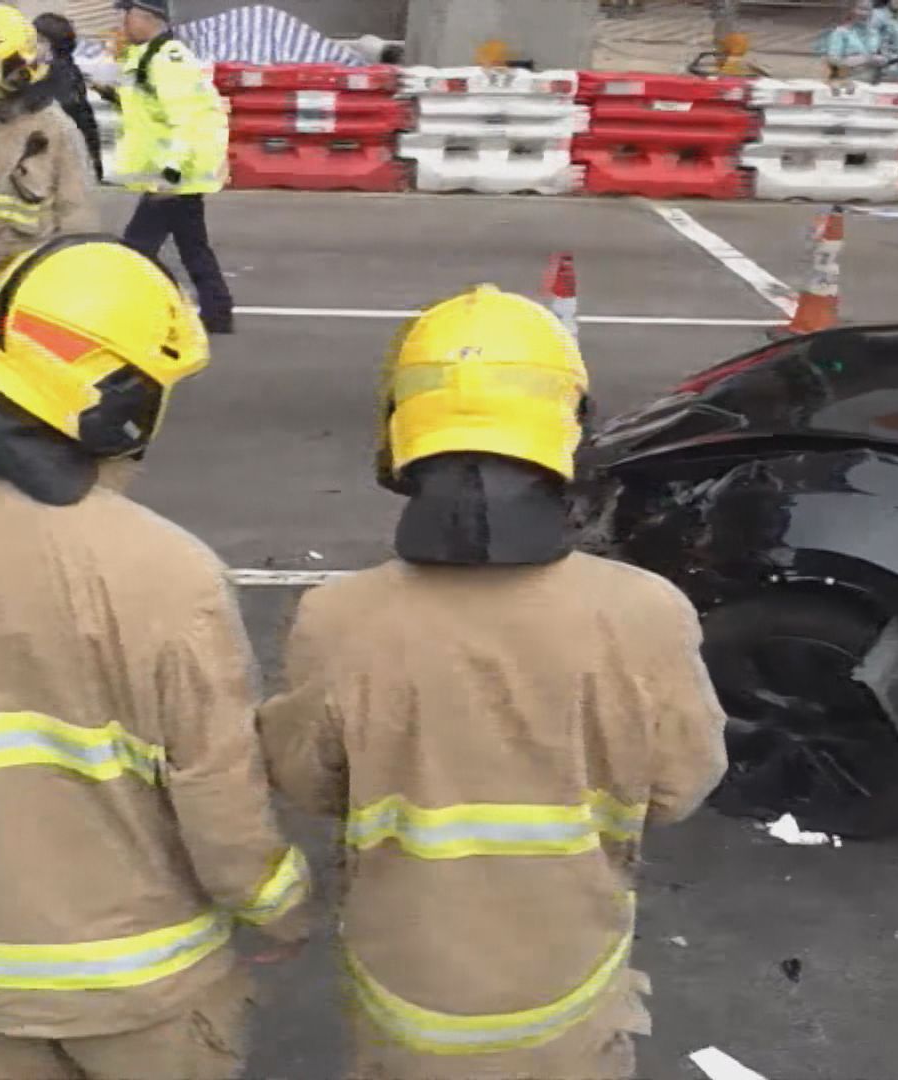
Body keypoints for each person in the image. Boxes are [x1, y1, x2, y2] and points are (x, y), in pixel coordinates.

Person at [0, 235, 310, 1080]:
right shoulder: (171, 573)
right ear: (126, 398)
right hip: (148, 995)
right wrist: (275, 905)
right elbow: (216, 792)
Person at [259, 286, 729, 1080]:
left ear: (398, 437)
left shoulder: (337, 618)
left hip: (402, 998)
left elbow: (308, 783)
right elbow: (681, 788)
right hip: (567, 997)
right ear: (570, 430)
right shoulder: (647, 615)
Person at [0, 4, 100, 320]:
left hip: (36, 286)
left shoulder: (55, 129)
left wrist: (73, 283)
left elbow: (76, 213)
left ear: (13, 66)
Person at [112, 0, 236, 336]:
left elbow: (186, 120)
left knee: (136, 251)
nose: (121, 22)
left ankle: (126, 316)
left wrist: (170, 172)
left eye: (126, 14)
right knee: (192, 246)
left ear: (146, 17)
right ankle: (217, 311)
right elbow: (152, 112)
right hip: (176, 175)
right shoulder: (151, 56)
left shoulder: (167, 60)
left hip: (173, 177)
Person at [34, 12, 105, 182]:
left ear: (48, 43)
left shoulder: (55, 74)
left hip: (65, 164)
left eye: (35, 40)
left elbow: (67, 116)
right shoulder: (66, 69)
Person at [823, 2, 885, 81]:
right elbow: (833, 63)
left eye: (868, 10)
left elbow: (878, 58)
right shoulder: (840, 33)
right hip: (846, 82)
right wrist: (866, 59)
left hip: (872, 82)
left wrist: (881, 61)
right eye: (861, 9)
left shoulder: (874, 33)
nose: (864, 13)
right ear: (852, 10)